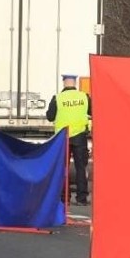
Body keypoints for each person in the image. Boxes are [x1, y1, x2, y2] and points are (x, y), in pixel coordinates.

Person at [47, 73, 92, 205]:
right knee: (80, 168)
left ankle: (64, 197)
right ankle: (81, 198)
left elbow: (50, 116)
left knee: (62, 167)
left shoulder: (58, 98)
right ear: (75, 83)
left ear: (64, 83)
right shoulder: (84, 97)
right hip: (80, 136)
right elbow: (92, 111)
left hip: (63, 136)